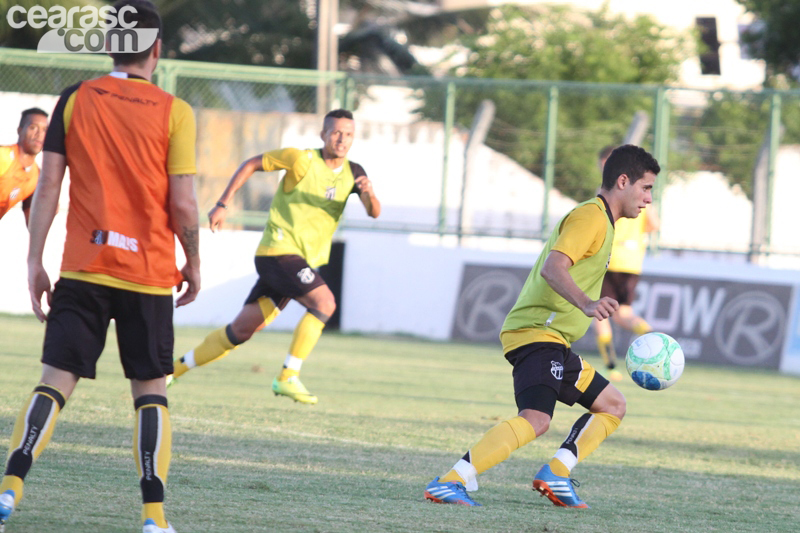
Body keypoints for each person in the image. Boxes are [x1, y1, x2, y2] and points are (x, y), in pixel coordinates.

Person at [0, 2, 200, 533]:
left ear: (109, 46)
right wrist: (194, 260)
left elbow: (48, 186)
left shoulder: (74, 99)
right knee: (151, 390)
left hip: (83, 268)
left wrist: (34, 261)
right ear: (156, 51)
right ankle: (154, 517)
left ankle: (9, 488)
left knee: (54, 382)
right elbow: (183, 205)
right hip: (150, 273)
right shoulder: (174, 111)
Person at [424, 145, 660, 508]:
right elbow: (553, 267)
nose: (647, 199)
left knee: (613, 404)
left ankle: (556, 473)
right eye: (645, 188)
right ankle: (451, 480)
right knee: (535, 419)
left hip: (555, 340)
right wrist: (587, 303)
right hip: (537, 332)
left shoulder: (606, 223)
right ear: (623, 181)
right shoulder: (591, 217)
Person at [168, 109, 381, 405]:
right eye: (335, 132)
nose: (341, 139)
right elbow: (251, 164)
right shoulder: (301, 159)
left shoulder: (355, 173)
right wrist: (222, 203)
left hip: (296, 262)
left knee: (241, 330)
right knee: (325, 303)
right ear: (323, 134)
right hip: (278, 252)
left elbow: (374, 211)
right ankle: (287, 376)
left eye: (348, 134)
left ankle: (173, 370)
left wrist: (369, 194)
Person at [592, 146, 660, 381]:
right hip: (632, 262)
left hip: (610, 260)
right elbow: (653, 224)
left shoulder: (609, 190)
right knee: (623, 313)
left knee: (600, 314)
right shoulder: (641, 190)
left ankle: (611, 367)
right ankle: (653, 337)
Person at [0, 108, 49, 225]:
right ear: (20, 130)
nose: (39, 134)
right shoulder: (4, 157)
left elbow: (32, 222)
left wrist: (47, 212)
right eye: (33, 127)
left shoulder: (37, 176)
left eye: (44, 130)